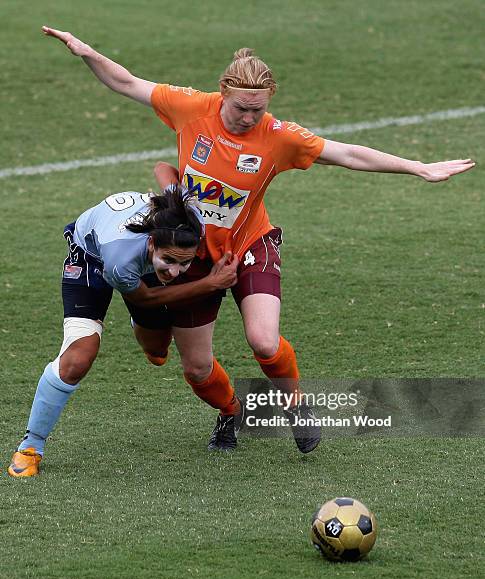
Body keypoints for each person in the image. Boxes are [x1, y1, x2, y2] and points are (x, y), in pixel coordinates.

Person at [38, 27, 476, 456]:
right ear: (222, 92)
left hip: (251, 243)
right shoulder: (191, 108)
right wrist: (86, 52)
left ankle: (296, 404)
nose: (250, 118)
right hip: (195, 256)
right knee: (196, 368)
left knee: (264, 341)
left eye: (258, 110)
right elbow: (127, 82)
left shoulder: (279, 135)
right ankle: (230, 411)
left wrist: (417, 166)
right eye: (241, 109)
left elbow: (347, 154)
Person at [8, 187, 239, 477]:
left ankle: (145, 329)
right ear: (152, 243)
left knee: (157, 352)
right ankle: (31, 447)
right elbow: (144, 298)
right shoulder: (121, 258)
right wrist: (210, 283)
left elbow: (166, 176)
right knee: (78, 359)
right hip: (90, 259)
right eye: (169, 260)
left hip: (137, 267)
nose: (176, 271)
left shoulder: (189, 224)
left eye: (185, 262)